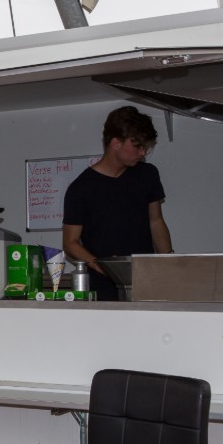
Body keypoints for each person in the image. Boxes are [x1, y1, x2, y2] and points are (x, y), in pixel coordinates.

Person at [62, 106, 174, 301]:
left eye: (145, 147)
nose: (143, 153)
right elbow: (70, 243)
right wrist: (103, 266)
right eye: (137, 146)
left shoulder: (147, 174)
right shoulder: (80, 189)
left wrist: (168, 265)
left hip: (146, 283)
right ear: (116, 143)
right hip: (103, 290)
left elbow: (155, 221)